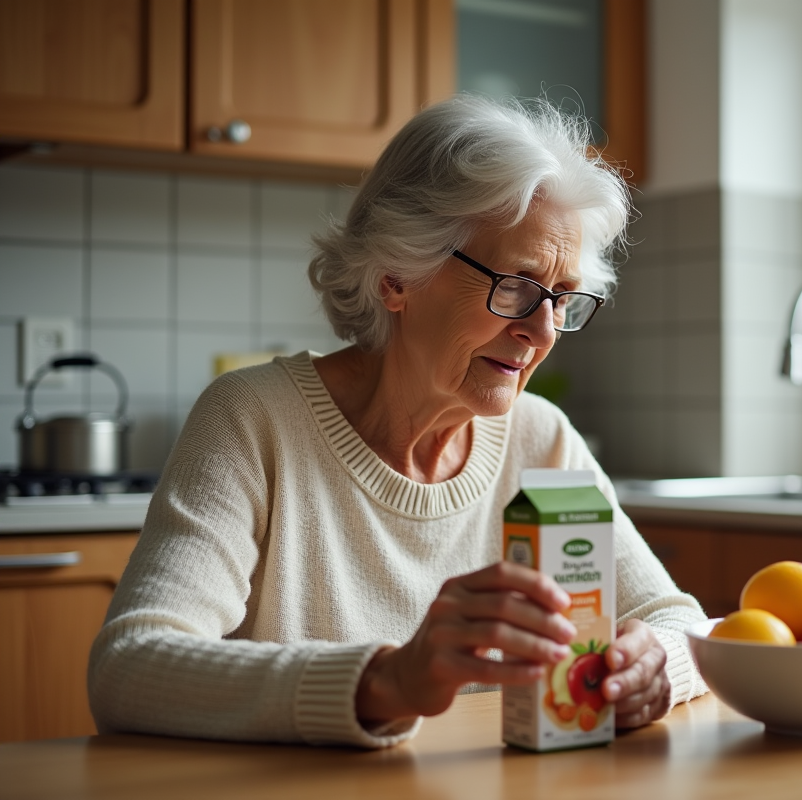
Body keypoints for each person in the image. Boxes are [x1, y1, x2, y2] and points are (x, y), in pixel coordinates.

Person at [88, 94, 707, 748]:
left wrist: (657, 664)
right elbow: (130, 666)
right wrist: (387, 681)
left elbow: (679, 621)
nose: (541, 331)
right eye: (517, 287)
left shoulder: (541, 438)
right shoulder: (256, 421)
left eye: (561, 299)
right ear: (395, 277)